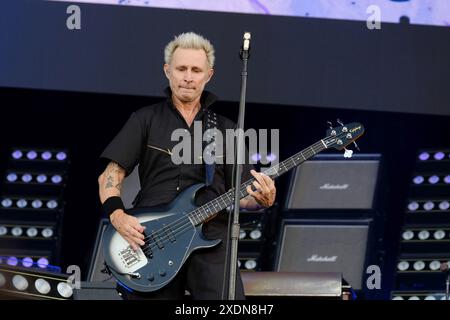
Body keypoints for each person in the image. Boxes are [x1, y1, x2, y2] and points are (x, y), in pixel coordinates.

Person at [97, 32, 276, 300]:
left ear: (209, 75)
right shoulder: (145, 119)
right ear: (167, 71)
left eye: (196, 70)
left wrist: (263, 199)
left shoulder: (227, 129)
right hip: (153, 236)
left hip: (211, 235)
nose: (188, 77)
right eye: (181, 69)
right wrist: (118, 216)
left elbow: (243, 196)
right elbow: (110, 176)